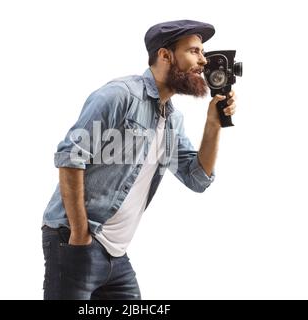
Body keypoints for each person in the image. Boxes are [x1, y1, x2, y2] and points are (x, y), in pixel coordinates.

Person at [41, 19, 237, 300]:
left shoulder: (172, 119)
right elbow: (70, 156)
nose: (204, 61)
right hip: (75, 239)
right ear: (165, 55)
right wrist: (80, 235)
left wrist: (214, 123)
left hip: (116, 255)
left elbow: (197, 178)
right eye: (194, 51)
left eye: (203, 52)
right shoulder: (120, 95)